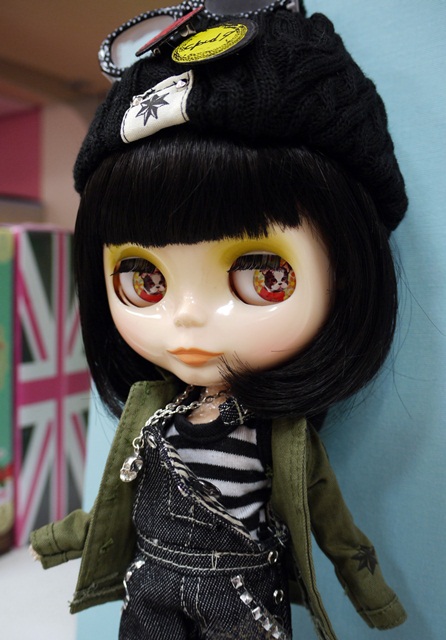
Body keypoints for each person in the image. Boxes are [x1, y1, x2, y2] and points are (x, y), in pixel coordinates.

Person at [31, 2, 408, 638]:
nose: (186, 319)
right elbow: (119, 504)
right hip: (150, 585)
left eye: (262, 275)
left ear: (346, 268)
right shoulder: (154, 415)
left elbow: (332, 525)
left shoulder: (279, 438)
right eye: (143, 280)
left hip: (240, 590)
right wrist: (62, 538)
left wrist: (368, 592)